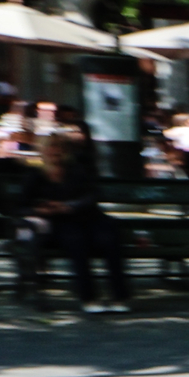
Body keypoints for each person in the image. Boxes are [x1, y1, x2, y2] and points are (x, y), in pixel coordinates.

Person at [34, 126, 131, 314]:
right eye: (52, 147)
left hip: (89, 218)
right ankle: (88, 298)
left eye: (60, 147)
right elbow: (23, 204)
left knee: (110, 236)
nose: (56, 151)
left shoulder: (78, 170)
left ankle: (120, 296)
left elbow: (93, 195)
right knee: (76, 241)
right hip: (61, 223)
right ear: (43, 150)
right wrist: (42, 209)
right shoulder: (36, 175)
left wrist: (71, 206)